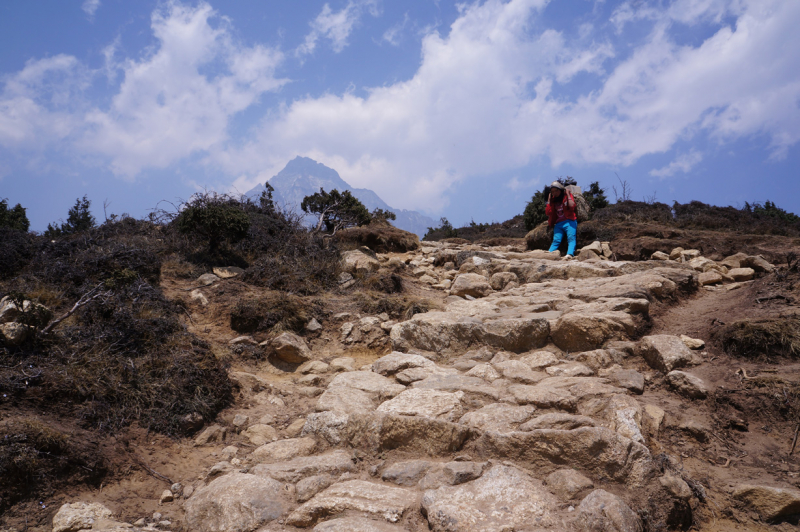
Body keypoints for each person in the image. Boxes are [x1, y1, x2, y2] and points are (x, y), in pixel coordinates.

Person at [545, 181, 577, 258]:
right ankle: (549, 254)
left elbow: (572, 206)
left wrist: (569, 194)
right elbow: (548, 213)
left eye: (555, 191)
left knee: (571, 238)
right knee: (556, 240)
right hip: (559, 224)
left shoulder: (566, 196)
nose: (554, 193)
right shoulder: (553, 200)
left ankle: (569, 254)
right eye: (552, 192)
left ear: (560, 190)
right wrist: (549, 201)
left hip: (569, 221)